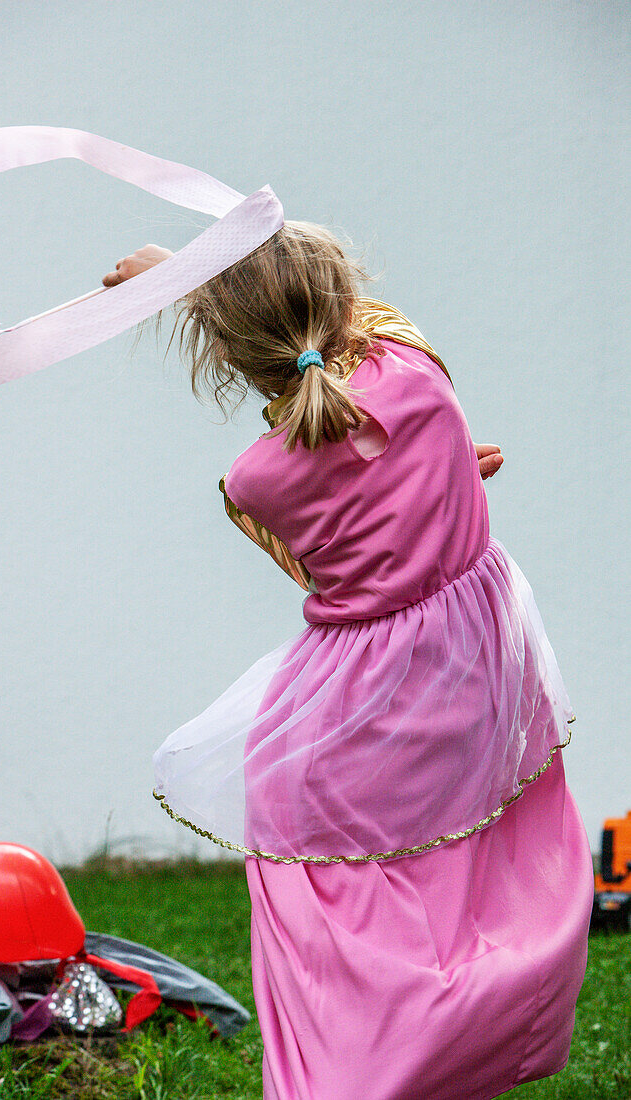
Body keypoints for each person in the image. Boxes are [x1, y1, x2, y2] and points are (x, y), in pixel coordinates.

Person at [103, 224, 594, 1100]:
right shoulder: (414, 367)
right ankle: (457, 1036)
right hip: (471, 667)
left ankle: (343, 1074)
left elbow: (309, 556)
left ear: (225, 352)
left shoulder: (253, 481)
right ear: (340, 296)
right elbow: (357, 381)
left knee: (320, 901)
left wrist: (183, 288)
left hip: (354, 697)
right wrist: (443, 479)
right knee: (462, 873)